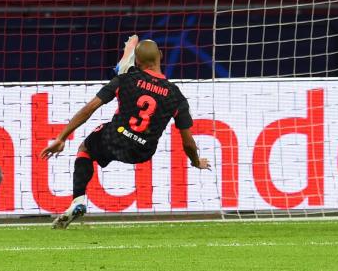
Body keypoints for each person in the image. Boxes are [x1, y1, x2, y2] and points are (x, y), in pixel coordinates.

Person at [40, 35, 211, 229]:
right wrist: (196, 161)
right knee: (132, 138)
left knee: (85, 148)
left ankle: (78, 200)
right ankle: (78, 201)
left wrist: (61, 137)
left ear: (137, 61)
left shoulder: (125, 79)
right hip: (143, 151)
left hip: (115, 138)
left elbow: (90, 108)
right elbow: (188, 142)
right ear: (161, 56)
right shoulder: (176, 95)